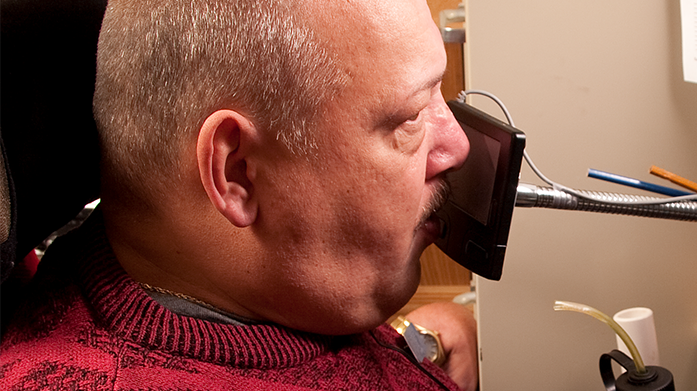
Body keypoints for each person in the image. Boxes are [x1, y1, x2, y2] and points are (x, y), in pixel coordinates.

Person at [0, 0, 478, 389]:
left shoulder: (268, 283)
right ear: (239, 172)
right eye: (410, 118)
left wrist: (422, 341)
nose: (458, 146)